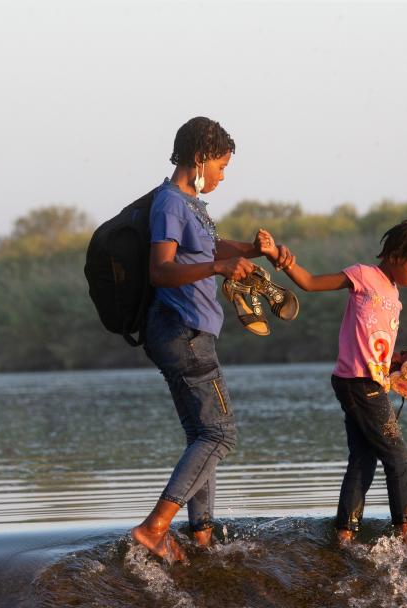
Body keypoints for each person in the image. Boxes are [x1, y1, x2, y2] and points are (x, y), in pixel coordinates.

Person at [130, 116, 294, 562]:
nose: (223, 175)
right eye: (221, 165)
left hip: (188, 331)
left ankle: (200, 535)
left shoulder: (190, 203)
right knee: (220, 435)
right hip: (183, 332)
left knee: (201, 434)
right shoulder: (169, 203)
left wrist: (250, 251)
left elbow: (208, 248)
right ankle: (154, 528)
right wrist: (218, 269)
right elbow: (160, 271)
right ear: (200, 158)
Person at [276, 220, 407, 550]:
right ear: (398, 256)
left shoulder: (393, 293)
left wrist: (398, 361)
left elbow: (374, 344)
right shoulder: (363, 276)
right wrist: (282, 261)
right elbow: (311, 283)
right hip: (359, 384)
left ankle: (345, 533)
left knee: (363, 458)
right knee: (398, 456)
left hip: (370, 381)